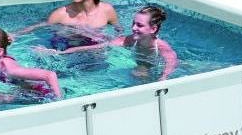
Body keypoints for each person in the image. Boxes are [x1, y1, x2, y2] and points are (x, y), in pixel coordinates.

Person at [35, 5, 178, 81]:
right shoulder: (129, 40)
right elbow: (93, 47)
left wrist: (164, 77)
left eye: (139, 25)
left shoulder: (161, 46)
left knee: (139, 74)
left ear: (153, 29)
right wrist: (59, 52)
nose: (134, 28)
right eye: (133, 23)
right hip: (140, 63)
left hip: (153, 65)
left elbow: (171, 62)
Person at [0, 28, 62, 105]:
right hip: (23, 90)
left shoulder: (10, 70)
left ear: (0, 52)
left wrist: (58, 102)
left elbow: (50, 75)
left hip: (43, 93)